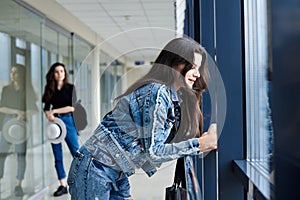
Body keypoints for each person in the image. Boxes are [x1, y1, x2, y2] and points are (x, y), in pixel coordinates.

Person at [67, 37, 218, 199]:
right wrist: (200, 144)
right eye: (192, 67)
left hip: (114, 172)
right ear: (174, 63)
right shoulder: (157, 92)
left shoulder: (171, 97)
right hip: (95, 171)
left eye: (199, 68)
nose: (197, 74)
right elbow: (154, 151)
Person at [42, 62, 80, 197]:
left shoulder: (70, 88)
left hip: (68, 120)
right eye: (57, 72)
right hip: (54, 124)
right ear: (53, 74)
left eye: (62, 71)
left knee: (76, 153)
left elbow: (71, 107)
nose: (59, 74)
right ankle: (62, 185)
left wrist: (54, 110)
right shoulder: (49, 88)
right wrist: (48, 113)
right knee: (57, 156)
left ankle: (80, 181)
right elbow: (46, 107)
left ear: (65, 73)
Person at [0, 65, 38, 197]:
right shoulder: (6, 89)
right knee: (1, 152)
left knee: (20, 155)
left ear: (21, 75)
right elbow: (1, 108)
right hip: (7, 123)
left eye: (15, 72)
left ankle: (18, 184)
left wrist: (24, 114)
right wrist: (17, 111)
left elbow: (34, 110)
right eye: (11, 72)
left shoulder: (27, 91)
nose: (12, 75)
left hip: (22, 125)